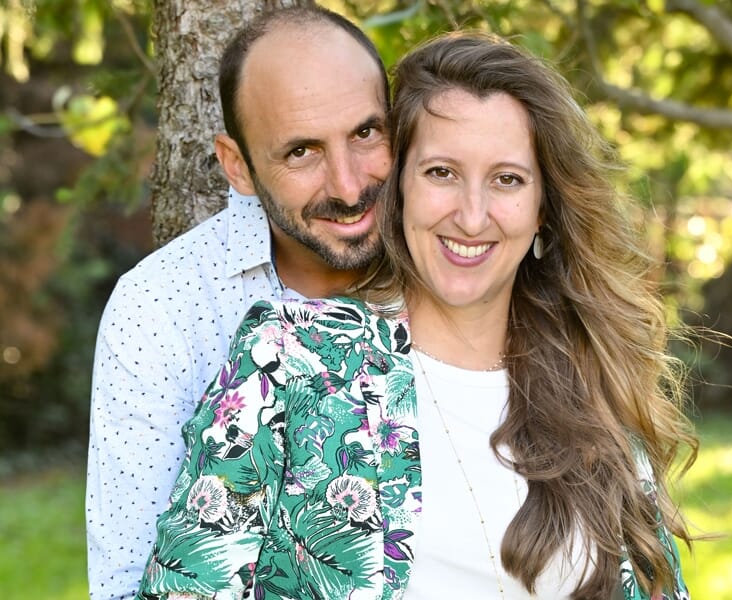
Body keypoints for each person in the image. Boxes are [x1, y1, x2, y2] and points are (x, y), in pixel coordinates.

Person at [135, 31, 697, 600]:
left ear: (543, 212)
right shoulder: (290, 361)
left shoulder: (593, 383)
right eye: (441, 173)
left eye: (507, 179)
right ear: (398, 188)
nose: (472, 217)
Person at [86, 6, 391, 599]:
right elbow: (127, 585)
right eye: (301, 152)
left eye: (365, 133)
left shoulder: (455, 266)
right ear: (239, 166)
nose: (350, 187)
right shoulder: (162, 309)